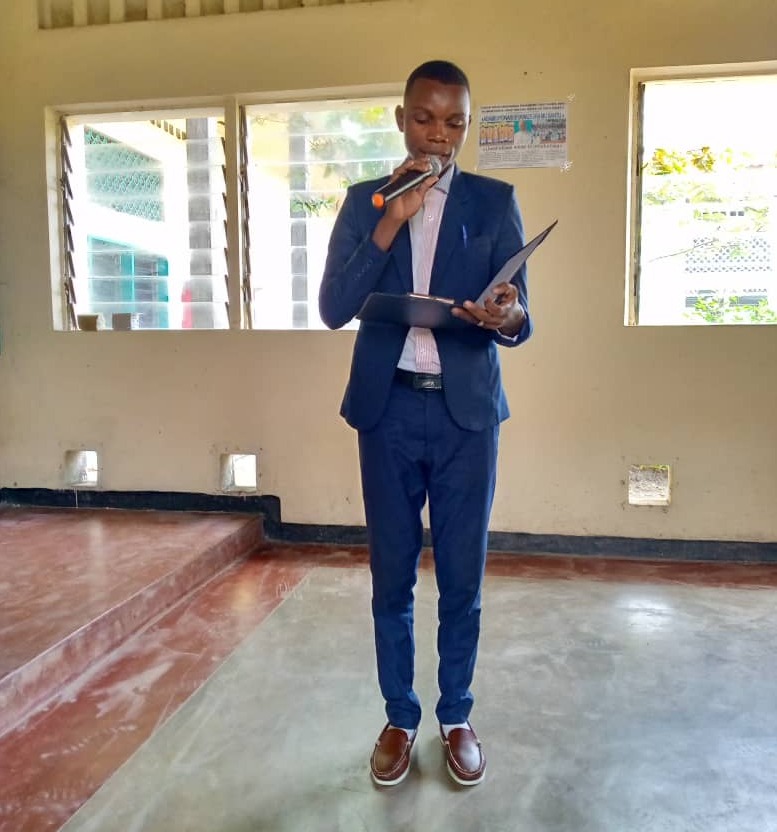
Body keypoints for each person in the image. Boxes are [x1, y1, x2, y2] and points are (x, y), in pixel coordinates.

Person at [318, 59, 532, 788]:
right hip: (387, 410)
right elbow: (334, 308)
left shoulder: (495, 201)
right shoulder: (364, 202)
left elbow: (520, 316)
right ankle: (400, 717)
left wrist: (508, 314)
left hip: (466, 413)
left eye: (453, 122)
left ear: (466, 125)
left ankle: (456, 714)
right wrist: (390, 221)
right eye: (424, 118)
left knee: (462, 576)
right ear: (401, 118)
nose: (438, 135)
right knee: (392, 575)